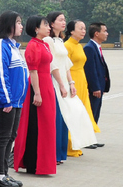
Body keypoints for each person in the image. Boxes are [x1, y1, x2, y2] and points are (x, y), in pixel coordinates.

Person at [43, 12, 96, 160]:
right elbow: (52, 64)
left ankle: (62, 152)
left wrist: (71, 83)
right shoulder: (48, 40)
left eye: (64, 20)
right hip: (55, 82)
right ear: (51, 23)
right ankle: (54, 154)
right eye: (60, 20)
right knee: (59, 118)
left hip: (64, 83)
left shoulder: (60, 41)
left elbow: (66, 64)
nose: (64, 22)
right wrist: (61, 84)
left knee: (72, 115)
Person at [0, 11, 28, 187]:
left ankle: (4, 172)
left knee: (11, 136)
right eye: (18, 22)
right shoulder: (0, 46)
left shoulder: (13, 46)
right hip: (6, 102)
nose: (21, 26)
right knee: (2, 137)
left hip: (16, 101)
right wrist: (6, 100)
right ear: (9, 25)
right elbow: (0, 75)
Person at [14, 16, 57, 176]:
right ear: (36, 29)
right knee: (37, 125)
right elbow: (33, 71)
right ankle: (34, 163)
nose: (48, 27)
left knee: (47, 125)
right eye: (45, 25)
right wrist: (37, 93)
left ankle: (44, 163)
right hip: (38, 86)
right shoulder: (33, 45)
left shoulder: (44, 44)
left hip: (47, 84)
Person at [65, 20, 101, 140]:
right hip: (73, 81)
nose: (83, 31)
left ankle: (81, 139)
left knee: (83, 112)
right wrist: (70, 83)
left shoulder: (79, 46)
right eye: (80, 28)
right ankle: (70, 142)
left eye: (84, 29)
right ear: (71, 31)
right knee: (73, 112)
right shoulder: (67, 46)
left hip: (82, 81)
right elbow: (65, 67)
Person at [83, 22, 109, 143]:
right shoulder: (89, 48)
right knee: (91, 113)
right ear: (96, 33)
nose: (107, 34)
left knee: (96, 113)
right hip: (94, 89)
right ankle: (87, 139)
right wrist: (95, 87)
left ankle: (91, 138)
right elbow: (90, 70)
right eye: (105, 31)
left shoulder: (96, 47)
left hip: (99, 87)